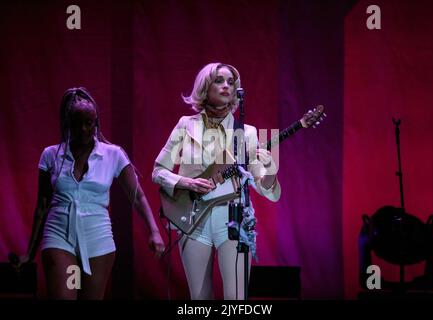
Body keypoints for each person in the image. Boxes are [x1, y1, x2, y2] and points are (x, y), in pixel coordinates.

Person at [18, 87, 165, 299]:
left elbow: (138, 196)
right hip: (60, 236)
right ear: (67, 123)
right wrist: (29, 254)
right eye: (77, 124)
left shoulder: (112, 154)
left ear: (96, 122)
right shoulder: (51, 155)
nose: (85, 129)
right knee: (65, 294)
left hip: (98, 238)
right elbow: (41, 205)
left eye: (90, 123)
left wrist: (154, 231)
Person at [152, 63, 281, 300]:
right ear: (205, 86)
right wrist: (186, 182)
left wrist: (271, 169)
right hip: (193, 216)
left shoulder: (248, 133)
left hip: (233, 217)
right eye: (219, 81)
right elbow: (158, 171)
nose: (226, 86)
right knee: (200, 299)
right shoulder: (185, 125)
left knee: (236, 299)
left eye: (231, 82)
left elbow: (265, 188)